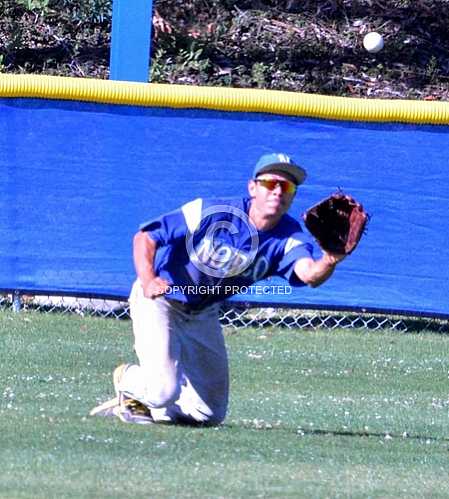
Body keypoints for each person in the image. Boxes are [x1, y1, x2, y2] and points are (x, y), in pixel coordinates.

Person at [90, 153, 346, 425]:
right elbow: (146, 236)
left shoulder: (289, 237)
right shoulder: (211, 211)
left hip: (202, 311)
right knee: (162, 390)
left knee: (208, 414)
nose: (278, 191)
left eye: (288, 186)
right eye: (271, 183)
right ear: (252, 188)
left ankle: (151, 406)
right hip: (160, 299)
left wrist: (330, 259)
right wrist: (148, 278)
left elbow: (308, 274)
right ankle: (129, 378)